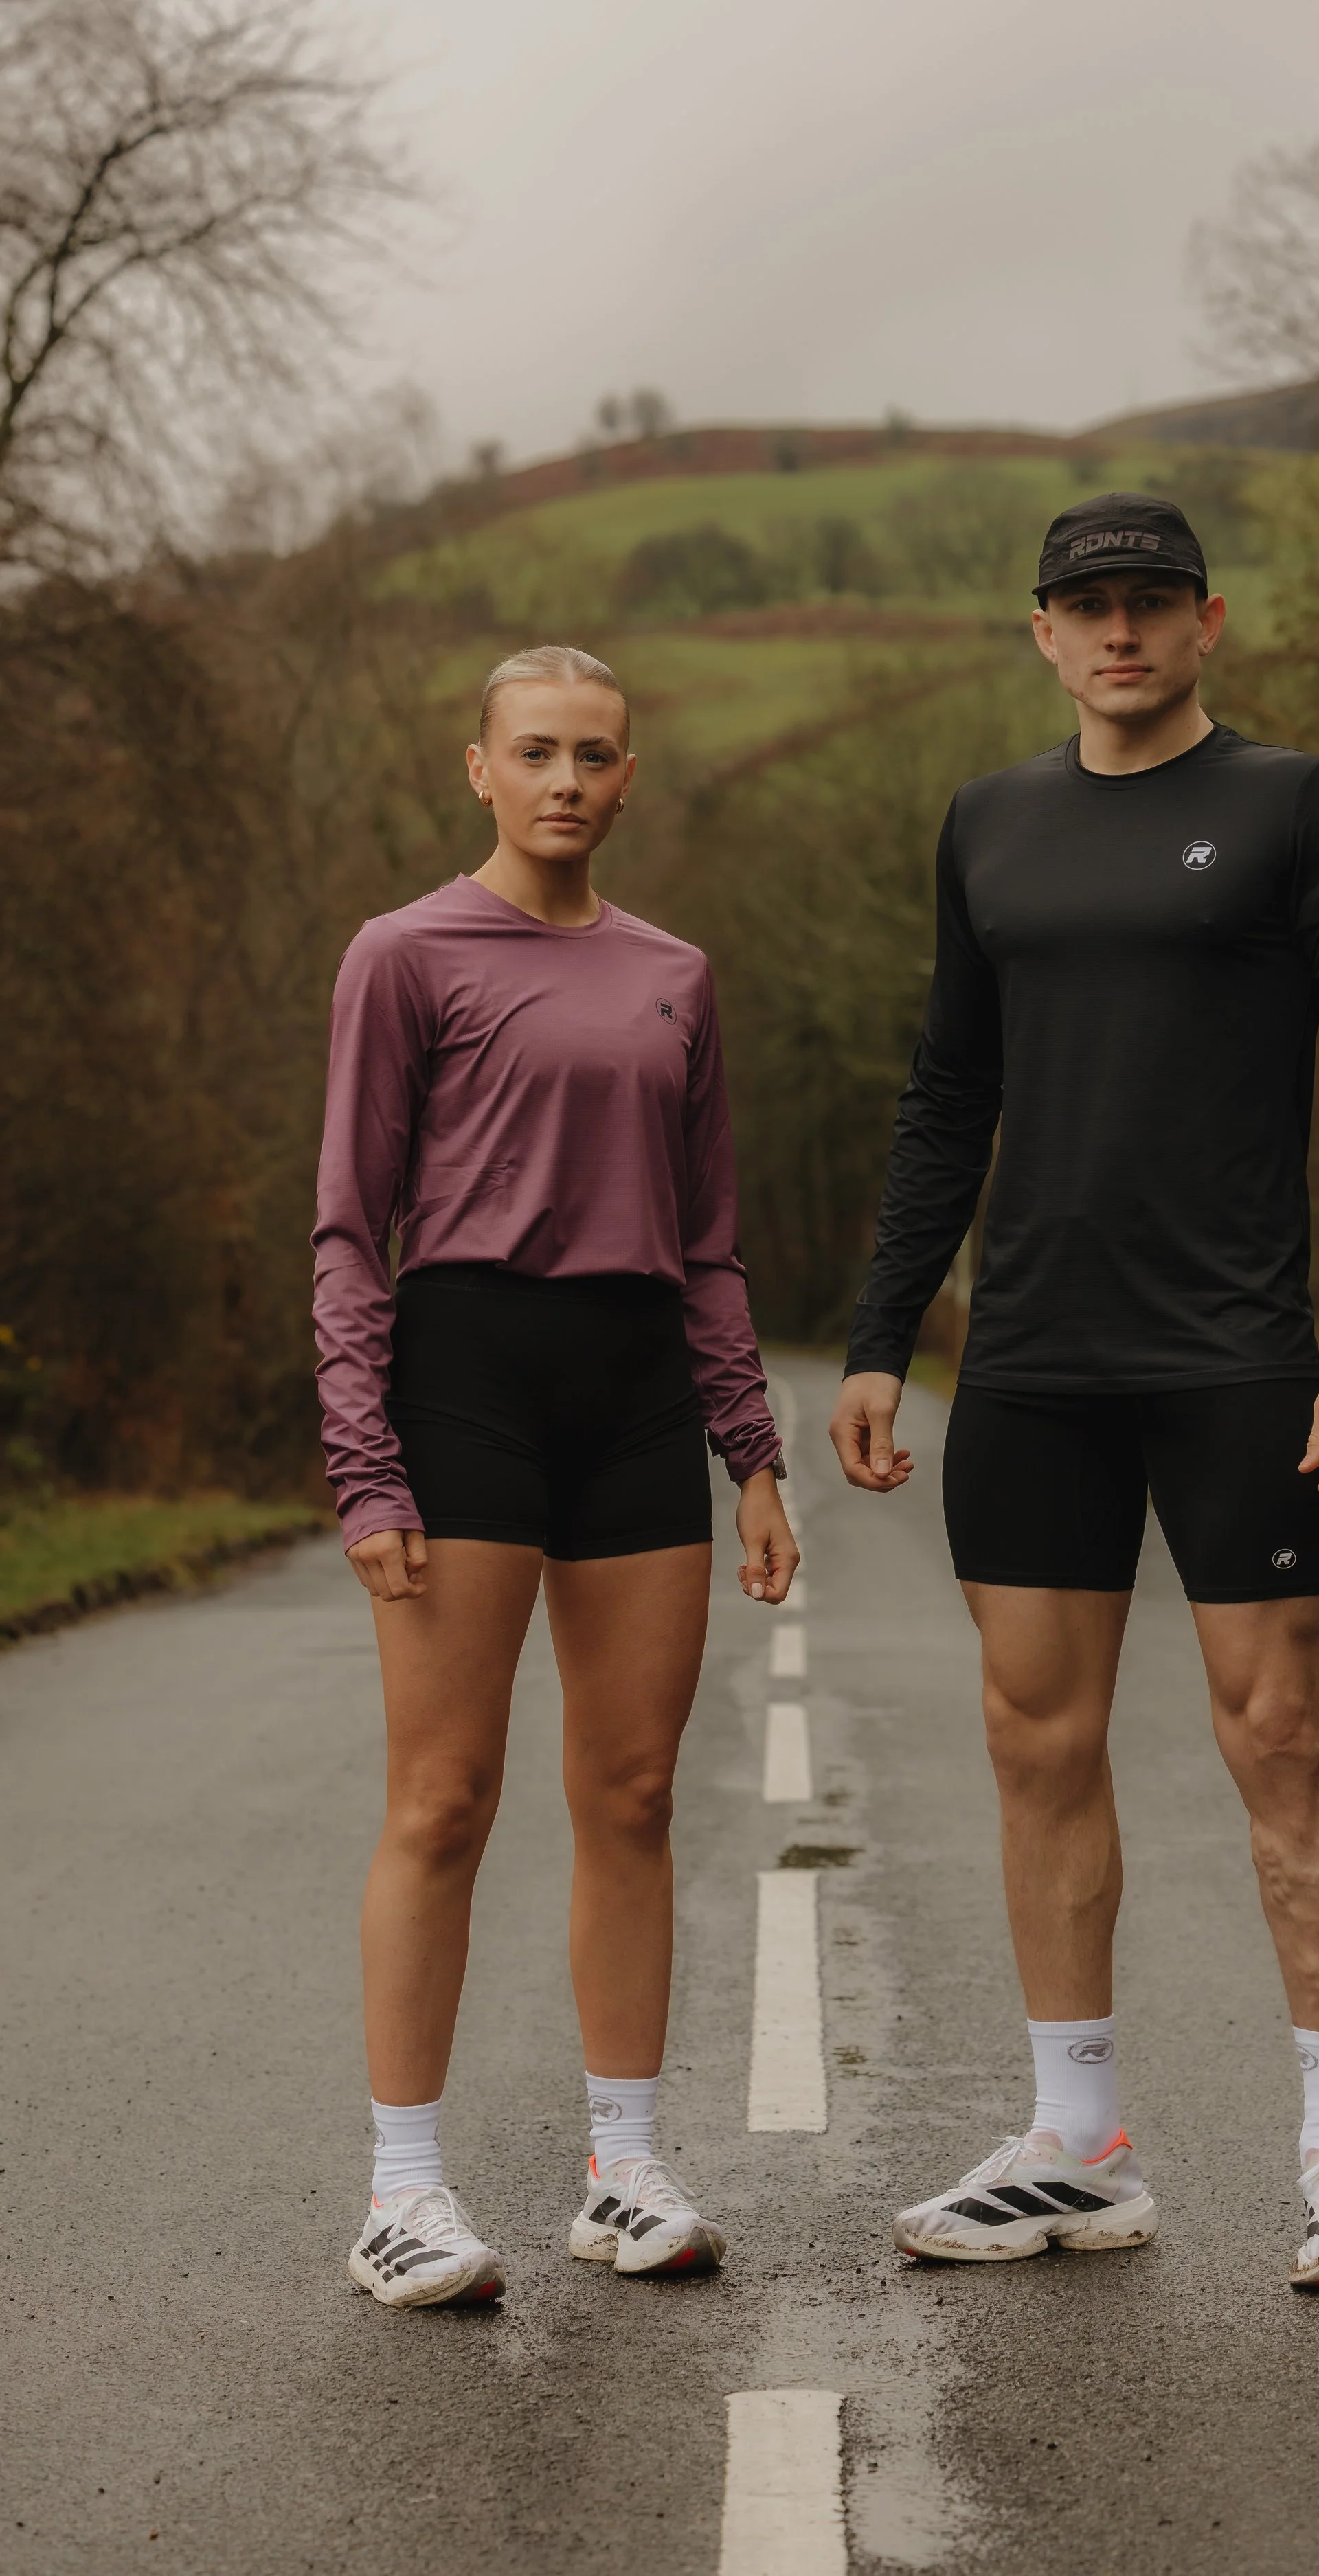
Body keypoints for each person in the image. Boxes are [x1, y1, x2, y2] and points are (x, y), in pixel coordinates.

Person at [830, 495, 1319, 2290]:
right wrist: (879, 1332)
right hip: (1029, 1356)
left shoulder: (1290, 806)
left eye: (1149, 603)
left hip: (1238, 1349)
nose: (1119, 631)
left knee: (1276, 1734)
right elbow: (948, 1094)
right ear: (1039, 628)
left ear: (1206, 620)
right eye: (1087, 605)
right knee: (1035, 1735)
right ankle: (1077, 2142)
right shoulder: (989, 825)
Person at [314, 643, 796, 2309]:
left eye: (594, 755)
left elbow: (712, 1242)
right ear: (480, 768)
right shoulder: (403, 955)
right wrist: (364, 1464)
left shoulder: (678, 974)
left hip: (636, 1392)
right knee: (443, 1799)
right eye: (536, 753)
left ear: (629, 777)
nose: (566, 782)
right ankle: (401, 2193)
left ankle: (624, 2169)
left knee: (637, 1795)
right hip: (467, 1386)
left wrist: (751, 1453)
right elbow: (345, 1231)